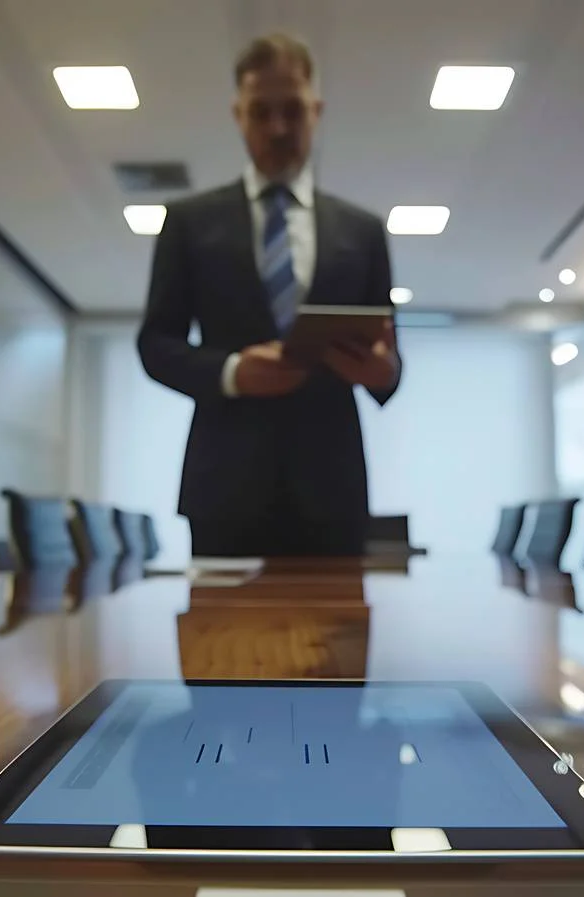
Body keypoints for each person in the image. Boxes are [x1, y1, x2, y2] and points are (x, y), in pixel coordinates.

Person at [137, 32, 401, 558]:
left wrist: (378, 372)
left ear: (317, 111)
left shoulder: (363, 231)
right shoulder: (187, 223)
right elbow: (156, 345)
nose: (279, 128)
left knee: (335, 640)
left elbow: (391, 363)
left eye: (293, 111)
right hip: (225, 487)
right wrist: (231, 372)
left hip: (333, 487)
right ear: (237, 114)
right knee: (223, 640)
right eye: (261, 112)